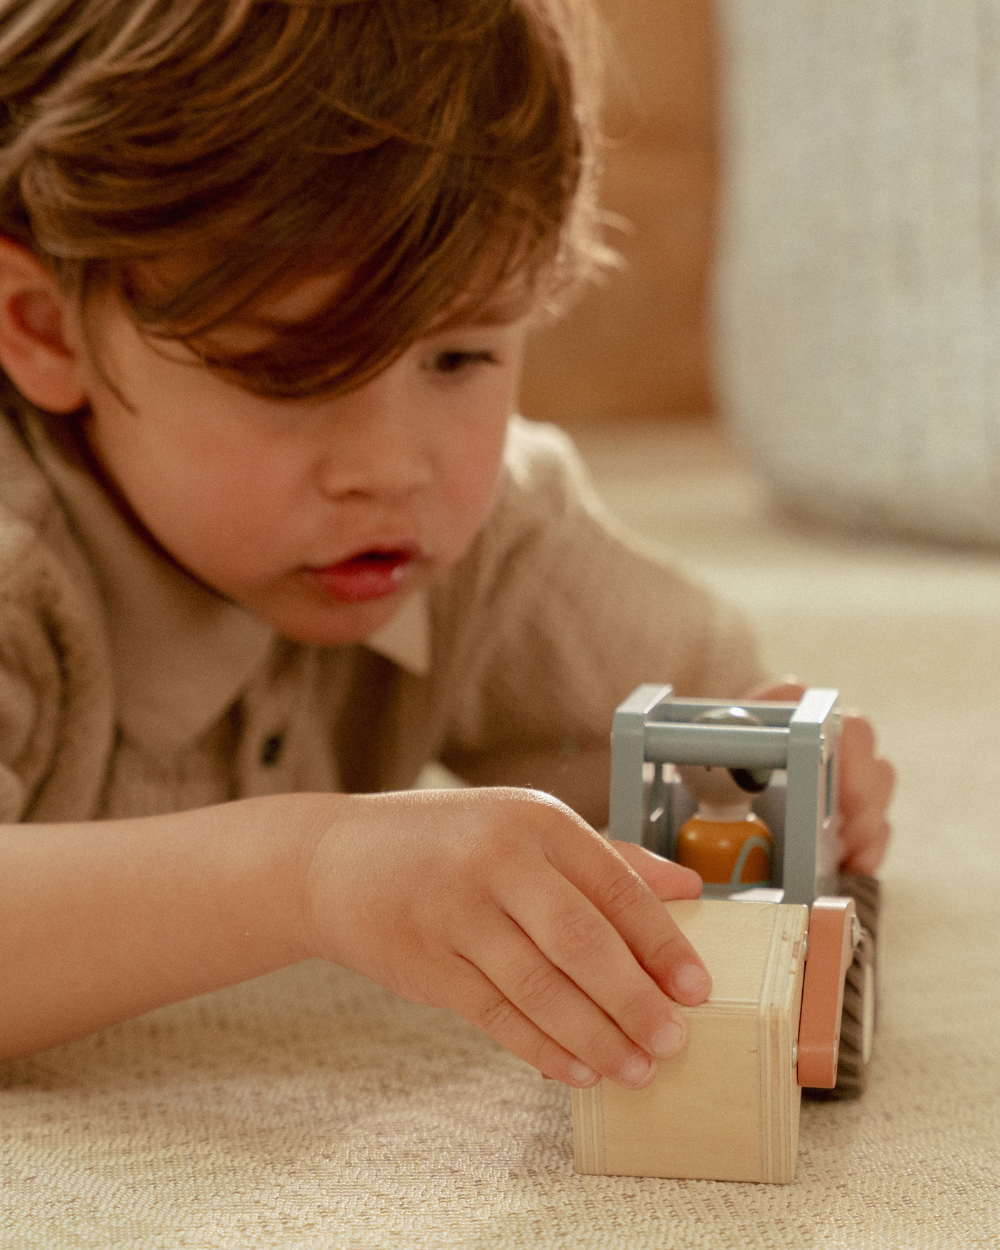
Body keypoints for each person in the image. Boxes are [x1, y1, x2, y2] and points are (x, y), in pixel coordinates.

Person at [0, 0, 893, 1089]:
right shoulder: (19, 563)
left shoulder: (487, 536)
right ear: (45, 330)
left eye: (460, 359)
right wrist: (308, 872)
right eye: (293, 370)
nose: (392, 466)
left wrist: (761, 766)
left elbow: (682, 721)